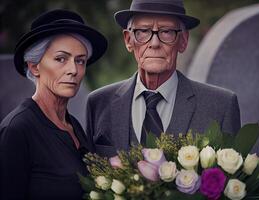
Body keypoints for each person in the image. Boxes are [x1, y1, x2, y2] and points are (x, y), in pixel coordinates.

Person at [86, 0, 241, 157]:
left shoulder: (221, 106)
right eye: (143, 31)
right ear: (128, 40)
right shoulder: (99, 103)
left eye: (166, 32)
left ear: (183, 41)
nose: (154, 43)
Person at [0, 9, 107, 200]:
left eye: (80, 61)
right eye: (61, 59)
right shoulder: (17, 130)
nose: (73, 70)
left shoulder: (73, 125)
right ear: (34, 66)